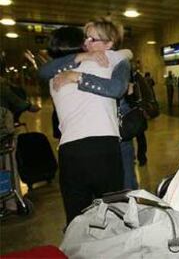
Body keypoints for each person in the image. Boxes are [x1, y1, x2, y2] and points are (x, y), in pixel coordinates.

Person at [39, 19, 131, 225]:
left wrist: (77, 75)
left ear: (109, 43)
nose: (87, 43)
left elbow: (43, 72)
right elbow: (118, 87)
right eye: (85, 39)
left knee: (76, 219)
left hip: (70, 152)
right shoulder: (110, 59)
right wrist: (81, 61)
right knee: (112, 214)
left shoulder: (58, 72)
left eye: (93, 39)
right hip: (102, 148)